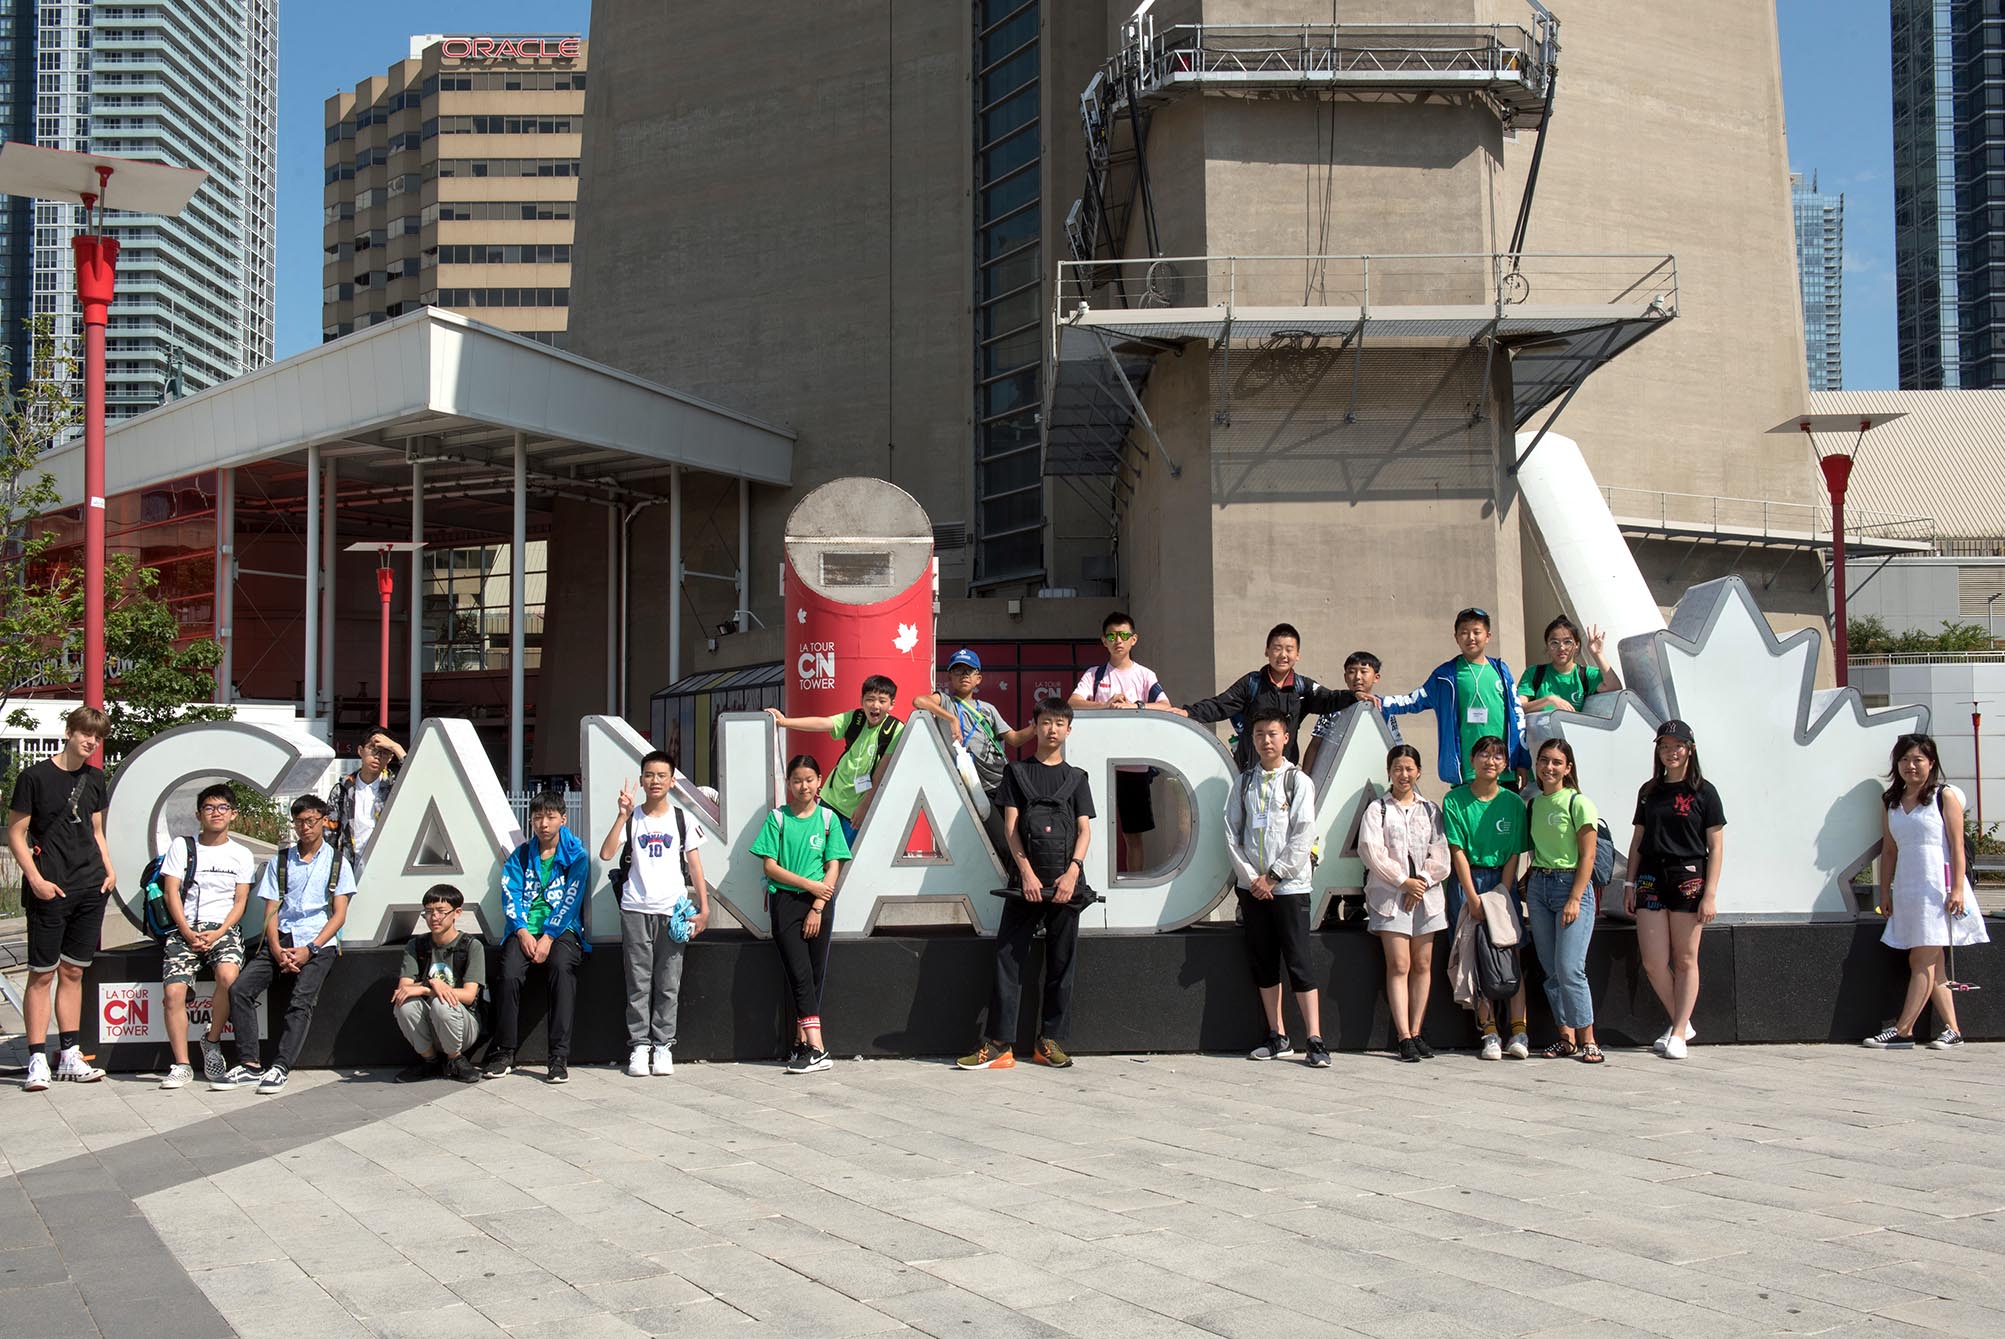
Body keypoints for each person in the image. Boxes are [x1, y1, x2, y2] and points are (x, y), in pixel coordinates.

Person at [958, 698, 1095, 1071]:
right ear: (1034, 726)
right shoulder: (1016, 773)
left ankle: (1048, 1041)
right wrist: (1027, 874)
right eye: (1046, 722)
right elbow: (1011, 827)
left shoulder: (1078, 777)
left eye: (1059, 724)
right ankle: (999, 1044)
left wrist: (1073, 873)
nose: (1052, 729)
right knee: (1007, 959)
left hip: (1068, 886)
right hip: (1025, 884)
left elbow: (1084, 830)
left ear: (1069, 730)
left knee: (1061, 963)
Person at [218, 794, 356, 1094]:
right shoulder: (281, 860)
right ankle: (250, 1064)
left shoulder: (337, 862)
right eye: (299, 822)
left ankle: (280, 1067)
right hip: (281, 939)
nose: (304, 828)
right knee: (240, 989)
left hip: (318, 941)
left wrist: (311, 948)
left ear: (323, 820)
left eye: (310, 821)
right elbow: (272, 910)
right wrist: (277, 948)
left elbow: (339, 914)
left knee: (300, 1001)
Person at [8, 706, 116, 1091]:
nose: (90, 742)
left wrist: (109, 869)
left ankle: (70, 1052)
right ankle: (37, 1057)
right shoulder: (34, 777)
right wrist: (35, 880)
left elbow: (97, 830)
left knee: (74, 971)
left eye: (97, 737)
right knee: (41, 973)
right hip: (49, 887)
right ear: (69, 731)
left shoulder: (96, 778)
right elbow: (16, 834)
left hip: (91, 885)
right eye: (85, 733)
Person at [1865, 733, 1989, 1050]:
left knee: (1921, 959)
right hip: (1909, 888)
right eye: (1905, 759)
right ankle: (1953, 1029)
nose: (1911, 766)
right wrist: (1885, 892)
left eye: (1918, 759)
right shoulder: (1891, 801)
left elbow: (1957, 845)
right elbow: (1890, 850)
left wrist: (1958, 888)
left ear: (1931, 763)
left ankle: (1903, 1030)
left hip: (1939, 889)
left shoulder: (1942, 796)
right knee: (1934, 965)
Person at [1225, 708, 1329, 1068]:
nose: (1265, 741)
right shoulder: (1243, 783)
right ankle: (1277, 1035)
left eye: (1272, 734)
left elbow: (1304, 834)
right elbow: (1231, 833)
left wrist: (1274, 876)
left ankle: (1315, 1039)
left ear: (1286, 738)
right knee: (1264, 963)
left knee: (1299, 962)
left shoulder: (1298, 782)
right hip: (1252, 888)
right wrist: (1252, 877)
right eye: (1259, 735)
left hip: (1289, 888)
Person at [598, 750, 710, 1078]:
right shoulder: (633, 818)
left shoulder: (682, 818)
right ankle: (639, 1046)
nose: (655, 780)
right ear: (642, 778)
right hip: (635, 908)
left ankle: (663, 1046)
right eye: (649, 775)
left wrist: (703, 909)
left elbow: (695, 865)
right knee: (638, 982)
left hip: (672, 911)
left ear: (672, 781)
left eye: (662, 775)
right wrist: (621, 815)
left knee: (668, 981)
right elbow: (606, 853)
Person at [1624, 720, 1725, 1059]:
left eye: (1677, 746)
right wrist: (1629, 882)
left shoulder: (1705, 792)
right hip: (1651, 875)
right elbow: (1638, 839)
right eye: (1664, 746)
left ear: (1690, 748)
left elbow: (1716, 844)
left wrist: (1709, 893)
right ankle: (1681, 1019)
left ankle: (1679, 1030)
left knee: (1685, 958)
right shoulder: (1648, 790)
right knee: (1654, 962)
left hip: (1689, 875)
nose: (1671, 752)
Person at [749, 754, 853, 1074]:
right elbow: (769, 866)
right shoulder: (778, 819)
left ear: (819, 780)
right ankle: (819, 1049)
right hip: (786, 902)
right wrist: (809, 884)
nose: (803, 786)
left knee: (813, 974)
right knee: (799, 974)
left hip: (820, 904)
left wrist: (819, 904)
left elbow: (834, 864)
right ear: (788, 783)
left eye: (809, 779)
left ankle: (803, 1044)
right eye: (797, 780)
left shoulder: (827, 819)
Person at [155, 783, 256, 1090]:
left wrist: (219, 932)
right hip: (185, 927)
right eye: (210, 808)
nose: (216, 813)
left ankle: (211, 1041)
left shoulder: (241, 854)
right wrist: (186, 929)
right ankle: (182, 1064)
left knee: (228, 977)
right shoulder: (182, 847)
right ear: (199, 814)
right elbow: (170, 891)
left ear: (233, 814)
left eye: (223, 808)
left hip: (222, 929)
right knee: (173, 993)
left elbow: (240, 902)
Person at [486, 790, 590, 1083]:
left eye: (550, 817)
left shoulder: (576, 856)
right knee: (508, 974)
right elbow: (510, 894)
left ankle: (558, 1057)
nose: (543, 824)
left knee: (561, 968)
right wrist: (521, 931)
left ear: (563, 819)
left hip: (562, 931)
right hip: (523, 931)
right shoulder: (520, 855)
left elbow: (572, 899)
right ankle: (504, 1051)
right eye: (537, 817)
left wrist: (548, 936)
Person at [1175, 622, 1375, 772]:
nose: (1283, 655)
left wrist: (1354, 696)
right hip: (1250, 772)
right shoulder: (1251, 683)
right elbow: (1220, 705)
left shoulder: (1302, 687)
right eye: (1277, 649)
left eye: (1289, 650)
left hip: (1285, 773)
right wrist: (1187, 712)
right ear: (1267, 651)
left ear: (1298, 655)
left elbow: (1329, 698)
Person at [1359, 744, 1451, 1063]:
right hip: (1390, 897)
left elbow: (1441, 852)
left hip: (1426, 898)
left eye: (1410, 768)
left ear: (1419, 772)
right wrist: (1404, 882)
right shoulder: (1378, 809)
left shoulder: (1430, 810)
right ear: (1389, 772)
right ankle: (1403, 1036)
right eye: (1398, 768)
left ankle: (1417, 1030)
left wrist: (1421, 880)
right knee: (1399, 965)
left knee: (1423, 964)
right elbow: (1371, 851)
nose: (1404, 774)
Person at [1442, 736, 1530, 1060]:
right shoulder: (1455, 800)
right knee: (1474, 954)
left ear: (1505, 764)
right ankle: (1489, 1031)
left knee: (1511, 951)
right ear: (1472, 759)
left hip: (1501, 881)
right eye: (1483, 754)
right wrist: (1472, 896)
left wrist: (1501, 895)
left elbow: (1513, 854)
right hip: (1467, 880)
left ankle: (1519, 1030)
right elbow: (1457, 850)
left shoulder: (1513, 803)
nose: (1490, 761)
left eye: (1497, 756)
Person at [1069, 611, 1177, 869]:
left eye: (1124, 635)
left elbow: (1166, 706)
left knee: (1133, 836)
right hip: (1096, 767)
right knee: (1088, 831)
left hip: (1133, 766)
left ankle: (1134, 894)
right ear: (1103, 641)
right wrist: (1105, 704)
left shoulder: (1145, 675)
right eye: (1112, 635)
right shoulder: (1095, 675)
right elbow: (1073, 703)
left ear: (1134, 639)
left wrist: (1134, 705)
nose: (1118, 640)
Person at [1382, 607, 1530, 787]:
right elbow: (1412, 701)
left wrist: (1522, 761)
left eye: (1477, 632)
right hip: (1465, 772)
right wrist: (1379, 702)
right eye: (1464, 633)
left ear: (1488, 636)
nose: (1471, 638)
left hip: (1503, 771)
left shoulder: (1501, 669)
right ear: (1456, 637)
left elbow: (1517, 714)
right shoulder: (1445, 675)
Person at [1523, 738, 1603, 1064]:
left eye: (1557, 762)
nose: (1549, 767)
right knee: (1551, 970)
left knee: (1570, 968)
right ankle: (1565, 1036)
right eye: (1544, 761)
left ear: (1567, 767)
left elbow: (1588, 855)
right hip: (1539, 886)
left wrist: (1574, 897)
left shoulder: (1579, 803)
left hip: (1572, 886)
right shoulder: (1534, 804)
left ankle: (1589, 1040)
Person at [913, 649, 1033, 839]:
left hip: (999, 782)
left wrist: (1037, 727)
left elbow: (1014, 739)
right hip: (969, 785)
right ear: (950, 677)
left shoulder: (987, 709)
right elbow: (919, 701)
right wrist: (951, 718)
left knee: (1013, 836)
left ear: (978, 678)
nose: (964, 676)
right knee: (993, 841)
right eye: (958, 671)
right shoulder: (945, 701)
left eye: (969, 671)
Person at [767, 676, 902, 844]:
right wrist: (785, 722)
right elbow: (824, 723)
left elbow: (880, 774)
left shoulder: (896, 730)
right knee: (816, 850)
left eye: (882, 701)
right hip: (830, 799)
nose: (875, 706)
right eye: (870, 699)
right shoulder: (856, 718)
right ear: (862, 700)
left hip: (855, 809)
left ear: (892, 704)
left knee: (843, 860)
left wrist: (865, 806)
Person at [392, 885, 488, 1083]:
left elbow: (469, 995)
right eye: (428, 911)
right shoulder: (416, 945)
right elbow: (403, 988)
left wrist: (428, 988)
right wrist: (431, 985)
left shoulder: (470, 946)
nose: (434, 917)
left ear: (457, 913)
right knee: (405, 1003)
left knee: (442, 1003)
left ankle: (456, 1060)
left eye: (441, 912)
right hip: (429, 1026)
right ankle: (430, 1061)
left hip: (463, 1025)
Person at [1303, 650, 1401, 774]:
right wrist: (1306, 776)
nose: (1357, 677)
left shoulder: (1384, 708)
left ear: (1376, 677)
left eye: (1364, 671)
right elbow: (1315, 745)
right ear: (1345, 677)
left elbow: (1395, 746)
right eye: (1351, 672)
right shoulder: (1333, 707)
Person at [328, 730, 403, 876]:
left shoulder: (397, 787)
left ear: (390, 758)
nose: (377, 757)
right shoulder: (343, 789)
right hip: (349, 866)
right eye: (373, 750)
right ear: (360, 751)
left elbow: (420, 778)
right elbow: (329, 834)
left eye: (384, 752)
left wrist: (396, 747)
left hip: (386, 866)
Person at [1518, 616, 1623, 714]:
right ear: (1547, 646)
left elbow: (1614, 687)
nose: (1561, 648)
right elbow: (1518, 707)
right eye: (1554, 642)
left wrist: (1597, 654)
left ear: (1576, 645)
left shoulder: (1586, 675)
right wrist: (1549, 700)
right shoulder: (1534, 673)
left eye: (1567, 642)